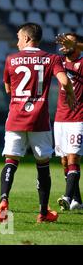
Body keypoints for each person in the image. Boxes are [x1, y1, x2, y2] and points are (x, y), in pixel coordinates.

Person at [0, 23, 76, 223]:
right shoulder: (52, 59)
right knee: (43, 166)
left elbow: (8, 89)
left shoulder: (11, 59)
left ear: (27, 39)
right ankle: (43, 212)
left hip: (15, 118)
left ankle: (4, 200)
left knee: (11, 161)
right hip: (39, 120)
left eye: (19, 38)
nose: (17, 42)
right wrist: (71, 96)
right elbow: (65, 82)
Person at [54, 32, 83, 211]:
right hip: (60, 118)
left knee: (73, 157)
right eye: (63, 43)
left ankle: (66, 197)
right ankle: (78, 201)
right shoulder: (59, 62)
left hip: (78, 117)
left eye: (68, 43)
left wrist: (76, 45)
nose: (64, 45)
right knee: (64, 161)